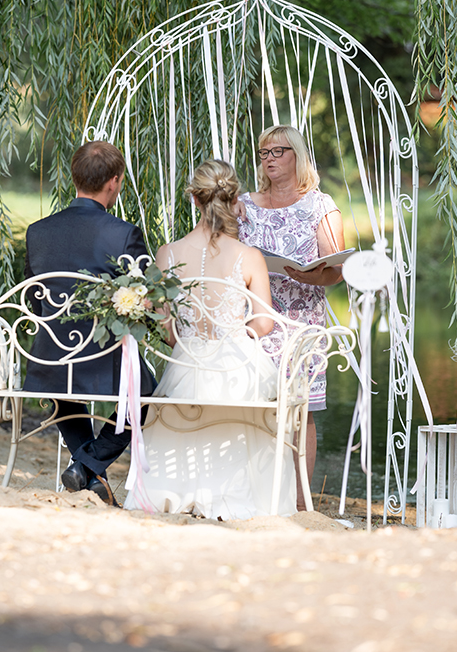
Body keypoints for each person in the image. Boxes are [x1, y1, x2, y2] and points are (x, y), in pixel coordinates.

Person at [124, 160, 297, 520]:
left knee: (175, 413)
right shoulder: (249, 256)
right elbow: (264, 323)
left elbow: (162, 323)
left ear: (194, 200)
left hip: (187, 364)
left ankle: (174, 494)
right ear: (235, 200)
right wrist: (234, 336)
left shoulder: (167, 254)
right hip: (237, 367)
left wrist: (188, 340)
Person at [23, 140, 155, 505]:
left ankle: (86, 469)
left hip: (49, 358)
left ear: (74, 177)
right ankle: (88, 465)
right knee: (147, 393)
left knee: (64, 394)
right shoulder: (124, 234)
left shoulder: (38, 231)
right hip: (100, 356)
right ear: (113, 182)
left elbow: (32, 297)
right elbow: (146, 296)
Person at [237, 125, 345, 510]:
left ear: (296, 155)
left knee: (303, 412)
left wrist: (314, 275)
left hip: (302, 322)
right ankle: (255, 493)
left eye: (277, 151)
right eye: (264, 152)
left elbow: (336, 267)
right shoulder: (245, 205)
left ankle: (301, 503)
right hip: (255, 320)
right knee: (253, 407)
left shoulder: (319, 205)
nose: (268, 159)